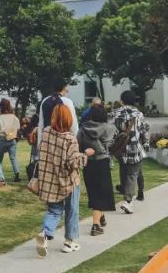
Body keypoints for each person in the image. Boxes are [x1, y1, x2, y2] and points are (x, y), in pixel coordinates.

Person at [34, 103, 93, 256]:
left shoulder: (46, 132)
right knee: (72, 210)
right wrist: (85, 155)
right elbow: (73, 163)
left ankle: (45, 232)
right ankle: (69, 242)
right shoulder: (70, 139)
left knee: (54, 210)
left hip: (49, 180)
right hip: (69, 181)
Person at [78, 103, 116, 236]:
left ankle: (101, 216)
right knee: (102, 193)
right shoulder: (108, 128)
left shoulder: (83, 129)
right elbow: (112, 142)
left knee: (93, 192)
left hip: (88, 162)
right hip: (102, 162)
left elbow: (78, 145)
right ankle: (95, 225)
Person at [113, 90, 150, 214]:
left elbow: (112, 131)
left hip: (120, 148)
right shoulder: (138, 114)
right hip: (134, 148)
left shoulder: (116, 113)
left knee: (124, 171)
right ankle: (128, 201)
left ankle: (127, 191)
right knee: (133, 174)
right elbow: (144, 130)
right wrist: (146, 144)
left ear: (122, 101)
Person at [36, 79, 79, 144]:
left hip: (48, 140)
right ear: (64, 87)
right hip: (63, 141)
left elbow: (41, 124)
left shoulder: (45, 101)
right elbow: (73, 125)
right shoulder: (67, 102)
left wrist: (39, 143)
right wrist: (75, 140)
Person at [0, 99, 22, 183]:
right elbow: (18, 127)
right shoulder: (14, 117)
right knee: (13, 157)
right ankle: (17, 173)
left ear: (1, 107)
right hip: (12, 138)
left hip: (2, 139)